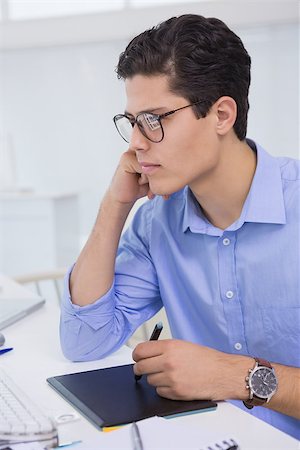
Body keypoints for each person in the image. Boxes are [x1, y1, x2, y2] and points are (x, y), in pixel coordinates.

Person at [60, 14, 300, 439]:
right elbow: (84, 340)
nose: (136, 142)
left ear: (222, 115)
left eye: (154, 119)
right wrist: (115, 204)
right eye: (132, 122)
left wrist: (238, 376)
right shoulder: (157, 221)